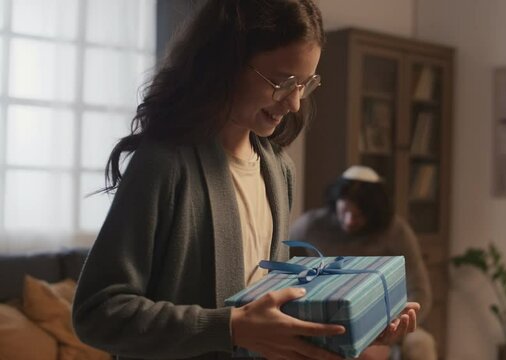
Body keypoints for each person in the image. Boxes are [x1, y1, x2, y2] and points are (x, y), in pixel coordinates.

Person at [72, 1, 420, 360]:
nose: (295, 103)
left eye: (304, 84)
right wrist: (231, 327)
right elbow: (97, 313)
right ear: (227, 63)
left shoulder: (278, 170)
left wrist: (357, 326)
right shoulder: (164, 164)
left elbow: (269, 317)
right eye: (284, 82)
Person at [290, 165, 438, 360]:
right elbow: (282, 266)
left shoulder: (396, 231)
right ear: (336, 203)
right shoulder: (311, 225)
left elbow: (420, 291)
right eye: (344, 211)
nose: (350, 221)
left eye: (358, 215)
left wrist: (390, 331)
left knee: (421, 344)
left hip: (385, 320)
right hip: (328, 318)